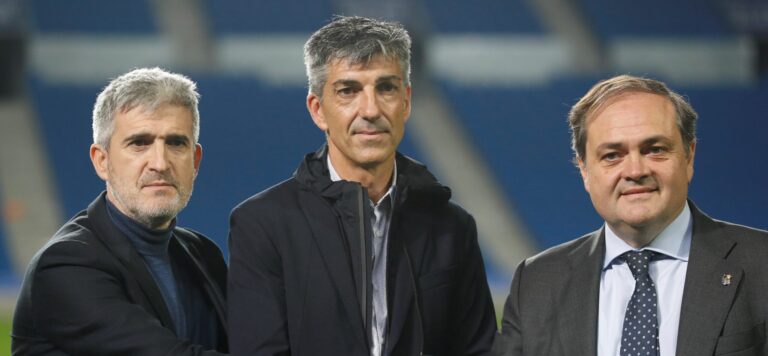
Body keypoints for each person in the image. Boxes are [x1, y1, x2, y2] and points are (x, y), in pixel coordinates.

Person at [228, 16, 496, 356]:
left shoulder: (452, 228)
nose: (370, 109)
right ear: (317, 110)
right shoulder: (262, 224)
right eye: (348, 91)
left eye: (386, 88)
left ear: (407, 101)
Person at [493, 75, 768, 356]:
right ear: (585, 171)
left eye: (655, 150)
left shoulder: (762, 265)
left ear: (689, 157)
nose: (635, 171)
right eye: (612, 155)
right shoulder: (537, 281)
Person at [12, 68, 228, 355]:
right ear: (102, 161)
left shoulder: (203, 255)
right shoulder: (66, 265)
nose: (160, 163)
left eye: (176, 143)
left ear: (195, 161)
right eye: (139, 143)